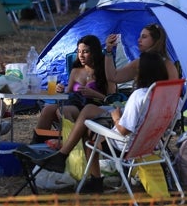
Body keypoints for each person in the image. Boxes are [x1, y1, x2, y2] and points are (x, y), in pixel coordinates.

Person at [34, 52, 170, 193]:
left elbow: (124, 130)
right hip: (152, 142)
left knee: (89, 134)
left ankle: (89, 176)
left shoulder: (139, 95)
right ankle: (64, 157)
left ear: (142, 72)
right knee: (89, 110)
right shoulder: (167, 94)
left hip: (127, 145)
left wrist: (117, 117)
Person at [34, 35, 115, 140]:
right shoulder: (75, 70)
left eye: (85, 52)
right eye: (79, 51)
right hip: (74, 103)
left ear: (94, 52)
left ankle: (72, 144)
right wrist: (61, 90)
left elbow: (112, 98)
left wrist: (94, 93)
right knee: (47, 109)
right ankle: (37, 143)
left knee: (62, 111)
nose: (81, 55)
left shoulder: (105, 71)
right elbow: (69, 92)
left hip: (93, 106)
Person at [104, 23, 179, 85]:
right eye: (140, 37)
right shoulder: (169, 64)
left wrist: (108, 51)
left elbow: (113, 77)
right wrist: (109, 51)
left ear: (155, 40)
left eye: (144, 37)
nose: (139, 40)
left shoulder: (140, 63)